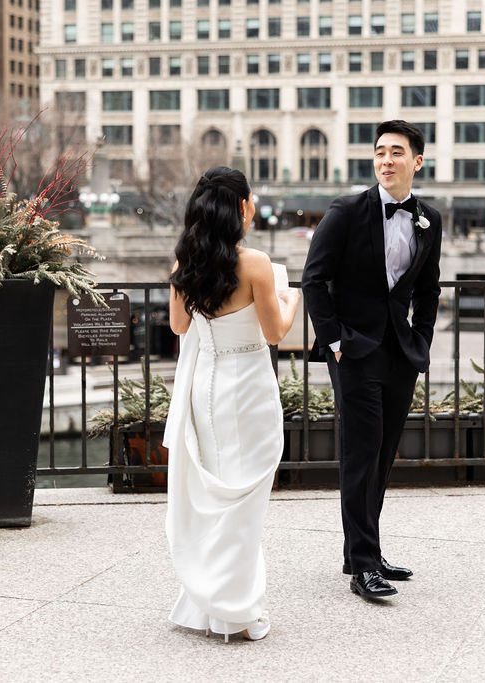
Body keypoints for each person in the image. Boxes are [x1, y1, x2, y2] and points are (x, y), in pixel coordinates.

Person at [301, 120, 443, 600]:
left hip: (400, 352)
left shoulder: (429, 220)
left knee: (383, 455)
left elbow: (428, 289)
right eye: (380, 151)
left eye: (397, 152)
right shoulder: (345, 211)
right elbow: (314, 280)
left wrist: (420, 340)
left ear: (416, 162)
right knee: (361, 454)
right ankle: (363, 565)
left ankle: (365, 551)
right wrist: (334, 341)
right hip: (354, 351)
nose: (386, 159)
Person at [163, 166, 301, 641]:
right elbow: (276, 332)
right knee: (245, 499)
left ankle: (208, 603)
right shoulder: (257, 264)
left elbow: (179, 329)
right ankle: (234, 608)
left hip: (206, 386)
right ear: (240, 207)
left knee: (216, 492)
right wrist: (292, 299)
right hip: (248, 388)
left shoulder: (183, 263)